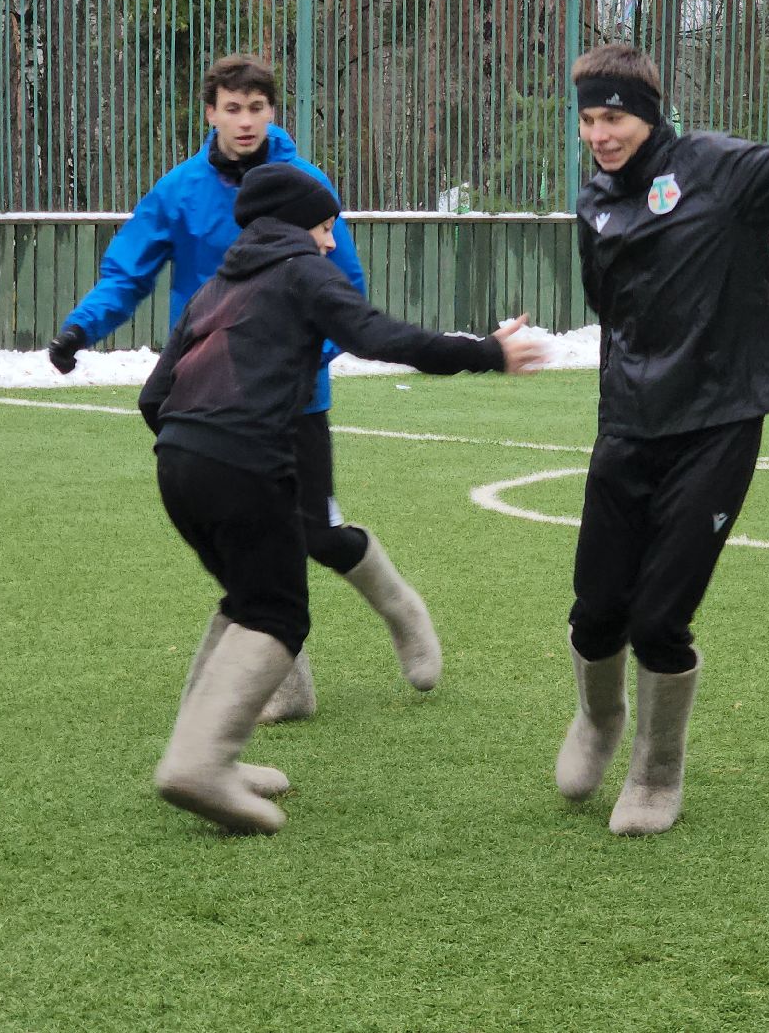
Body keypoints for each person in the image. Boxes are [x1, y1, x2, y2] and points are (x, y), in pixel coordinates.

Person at [141, 164, 545, 833]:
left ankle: (211, 754)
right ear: (303, 227)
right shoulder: (303, 269)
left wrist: (198, 448)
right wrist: (487, 353)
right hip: (243, 460)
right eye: (327, 228)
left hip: (176, 462)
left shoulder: (217, 285)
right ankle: (198, 766)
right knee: (276, 617)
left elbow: (152, 397)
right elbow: (380, 336)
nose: (331, 244)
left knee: (246, 602)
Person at [45, 53, 438, 725]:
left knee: (315, 531)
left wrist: (298, 359)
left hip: (294, 399)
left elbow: (348, 294)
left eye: (257, 107)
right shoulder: (179, 191)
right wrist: (81, 327)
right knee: (241, 541)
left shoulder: (307, 187)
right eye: (233, 107)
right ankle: (286, 684)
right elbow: (127, 272)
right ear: (211, 113)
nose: (245, 120)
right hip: (210, 399)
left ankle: (401, 609)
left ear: (273, 111)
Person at [552, 9, 769, 836]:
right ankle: (600, 717)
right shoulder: (595, 202)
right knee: (595, 611)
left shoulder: (718, 169)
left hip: (718, 421)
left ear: (649, 112)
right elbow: (607, 305)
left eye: (611, 116)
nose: (599, 134)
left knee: (659, 617)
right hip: (628, 422)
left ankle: (656, 769)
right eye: (587, 119)